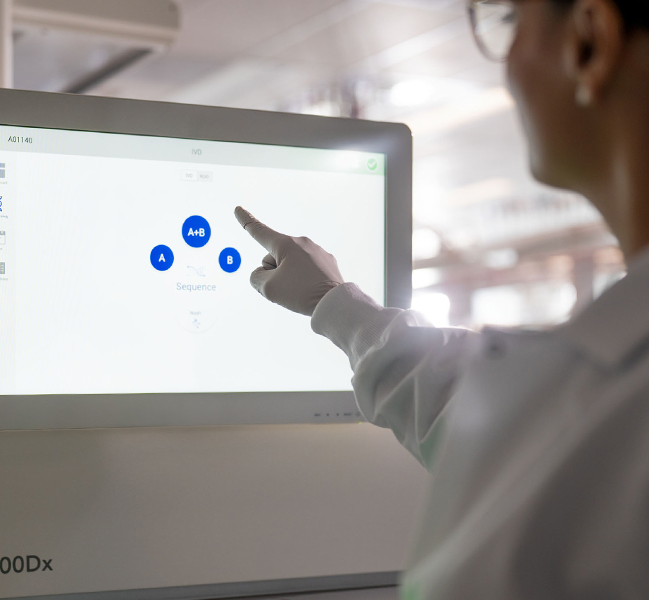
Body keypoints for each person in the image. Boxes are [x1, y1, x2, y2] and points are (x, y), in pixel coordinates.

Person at [235, 0, 649, 598]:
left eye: (511, 22)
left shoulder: (613, 401)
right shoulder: (598, 396)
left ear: (590, 41)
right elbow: (497, 429)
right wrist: (334, 305)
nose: (508, 62)